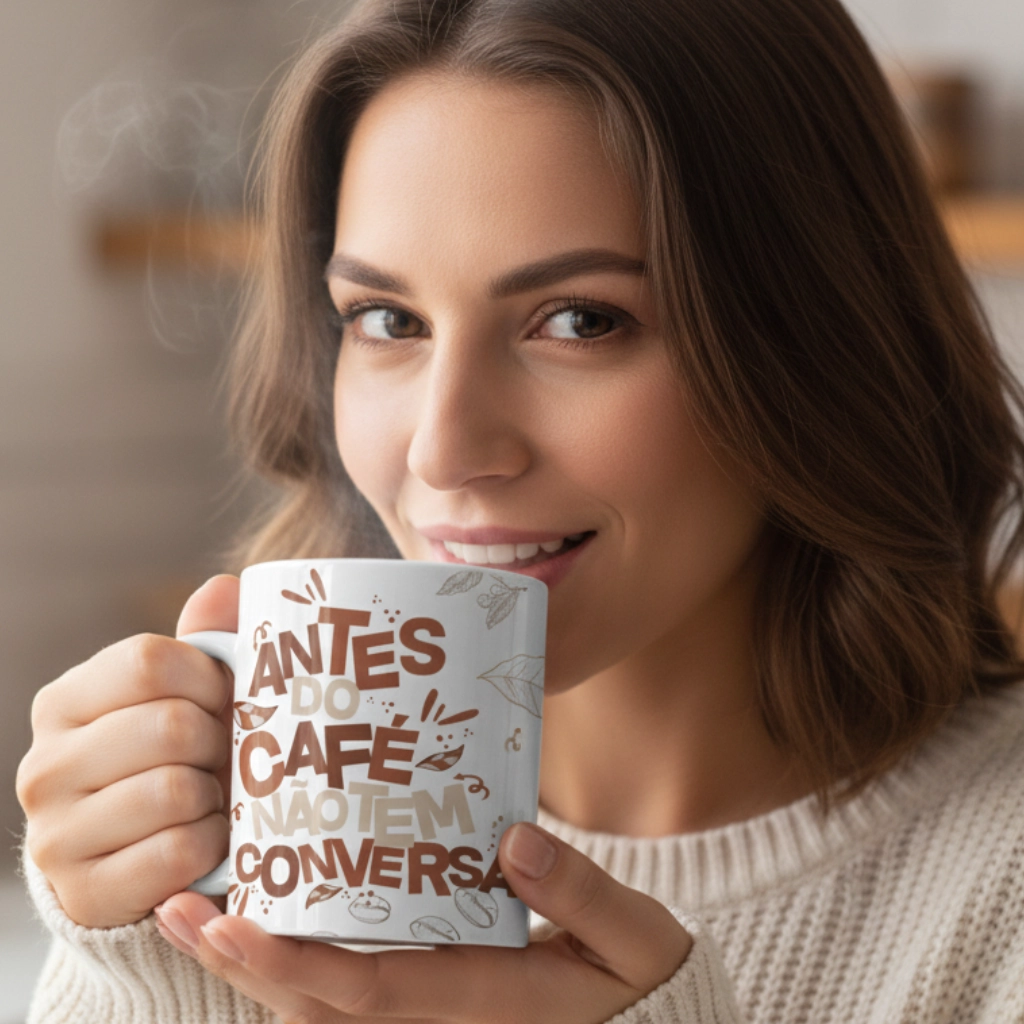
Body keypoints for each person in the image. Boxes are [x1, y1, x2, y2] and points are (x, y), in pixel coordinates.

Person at [15, 0, 1024, 1020]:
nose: (441, 447)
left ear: (816, 343)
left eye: (580, 321)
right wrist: (150, 969)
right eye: (387, 319)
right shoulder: (254, 857)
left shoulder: (1000, 885)